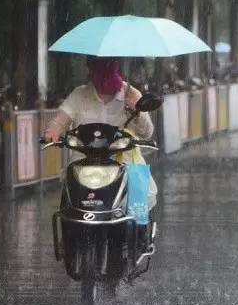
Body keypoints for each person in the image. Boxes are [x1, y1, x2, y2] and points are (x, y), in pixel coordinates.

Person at [43, 56, 158, 242]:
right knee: (69, 199)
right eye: (99, 67)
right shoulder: (79, 95)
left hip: (125, 160)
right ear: (91, 69)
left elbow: (147, 132)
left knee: (140, 203)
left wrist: (136, 110)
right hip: (84, 161)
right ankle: (69, 239)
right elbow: (60, 120)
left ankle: (140, 240)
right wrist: (52, 132)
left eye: (108, 66)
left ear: (116, 66)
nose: (104, 73)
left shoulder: (130, 93)